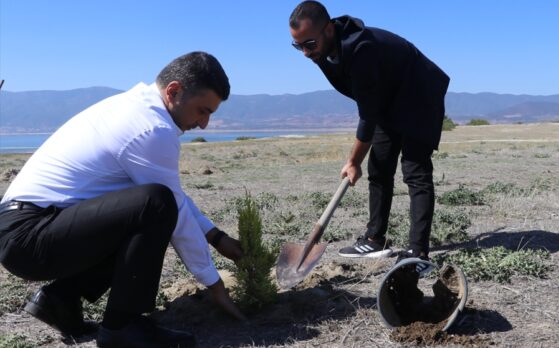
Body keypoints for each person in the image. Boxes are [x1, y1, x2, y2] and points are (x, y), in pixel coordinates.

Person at [0, 51, 247, 348]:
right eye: (202, 110)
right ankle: (122, 327)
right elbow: (170, 208)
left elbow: (173, 196)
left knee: (148, 205)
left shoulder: (137, 109)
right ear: (174, 91)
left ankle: (60, 301)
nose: (204, 124)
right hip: (29, 237)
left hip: (28, 229)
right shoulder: (150, 129)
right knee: (154, 205)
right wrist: (214, 283)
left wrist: (215, 236)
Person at [289, 1, 450, 267]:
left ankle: (418, 252)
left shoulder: (361, 49)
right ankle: (375, 239)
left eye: (309, 44)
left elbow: (367, 114)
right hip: (389, 100)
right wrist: (360, 159)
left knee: (415, 170)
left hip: (420, 96)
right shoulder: (323, 51)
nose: (305, 53)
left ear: (328, 30)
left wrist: (353, 162)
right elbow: (368, 102)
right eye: (299, 46)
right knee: (379, 167)